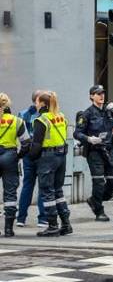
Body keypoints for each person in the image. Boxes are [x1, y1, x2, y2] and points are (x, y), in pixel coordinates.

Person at [21, 91, 72, 237]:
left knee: (47, 192)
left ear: (42, 104)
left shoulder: (41, 120)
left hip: (47, 158)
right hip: (61, 156)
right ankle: (66, 224)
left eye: (37, 102)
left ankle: (52, 226)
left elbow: (36, 144)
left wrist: (29, 156)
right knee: (58, 191)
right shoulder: (61, 116)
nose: (35, 104)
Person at [73, 84, 113, 221]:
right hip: (94, 151)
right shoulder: (86, 114)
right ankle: (99, 211)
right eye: (98, 93)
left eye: (103, 93)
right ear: (91, 96)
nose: (101, 96)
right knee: (99, 182)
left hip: (108, 150)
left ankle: (95, 200)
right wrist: (88, 138)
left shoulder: (108, 111)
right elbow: (77, 133)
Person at [0, 93, 30, 237]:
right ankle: (8, 229)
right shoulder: (17, 121)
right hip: (9, 156)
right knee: (10, 193)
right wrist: (18, 156)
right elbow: (26, 144)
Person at [16, 91, 46, 229]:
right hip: (41, 153)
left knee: (27, 185)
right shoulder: (45, 115)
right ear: (38, 101)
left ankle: (21, 218)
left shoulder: (22, 114)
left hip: (27, 153)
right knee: (43, 186)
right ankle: (42, 218)